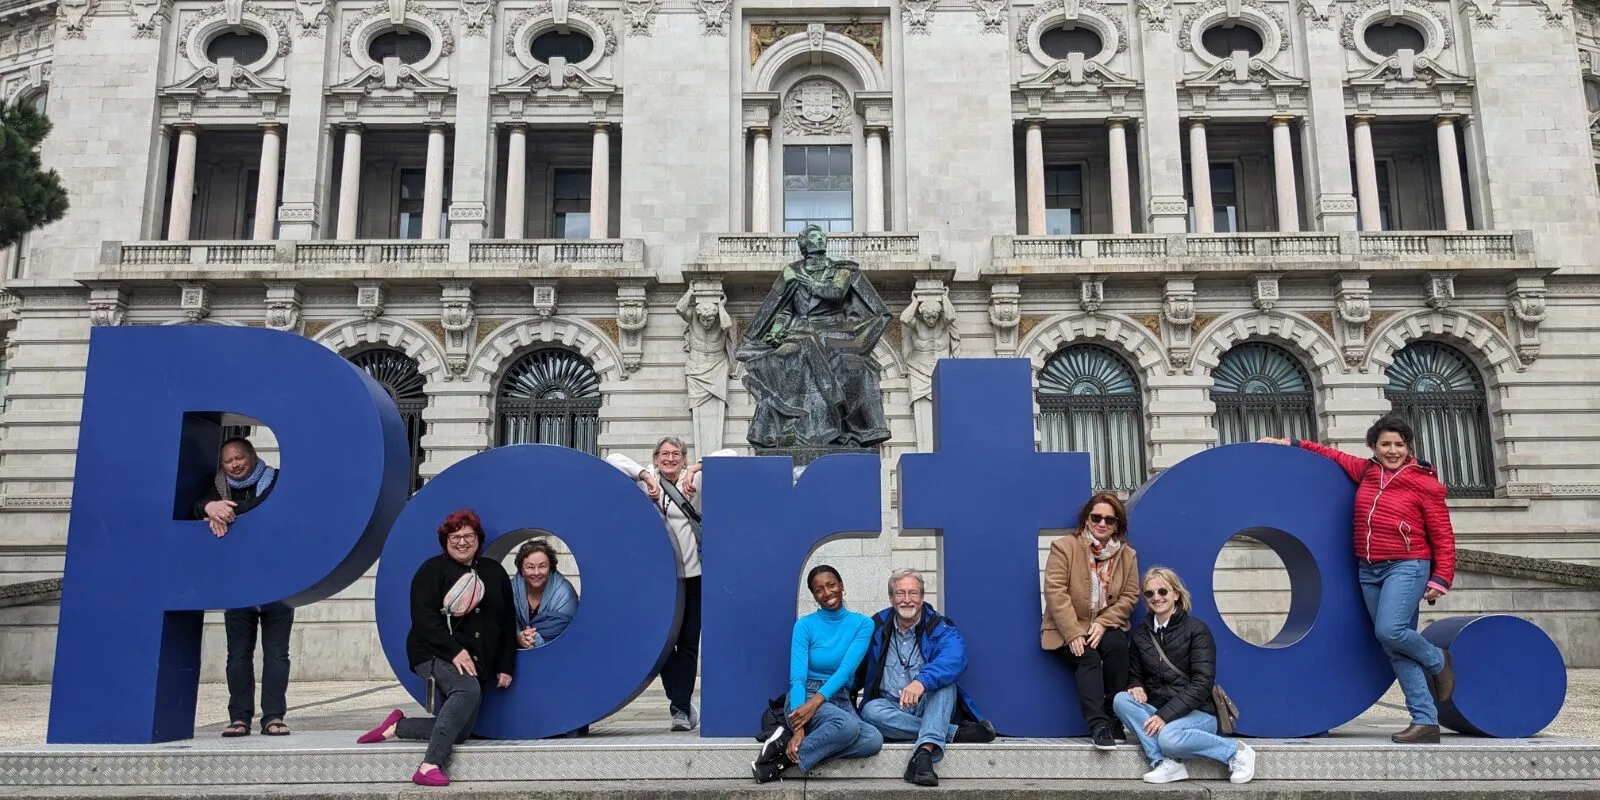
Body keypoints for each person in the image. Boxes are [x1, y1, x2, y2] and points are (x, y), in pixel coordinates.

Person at [1260, 414, 1457, 744]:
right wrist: (1292, 443)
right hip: (1369, 569)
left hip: (1407, 565)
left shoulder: (1425, 484)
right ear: (1373, 447)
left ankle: (1437, 658)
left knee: (1390, 630)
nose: (1392, 450)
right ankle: (1425, 721)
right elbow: (1331, 455)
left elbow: (1442, 534)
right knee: (1393, 645)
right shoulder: (1366, 472)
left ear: (1408, 448)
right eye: (1385, 444)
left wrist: (1441, 577)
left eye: (1399, 444)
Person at [356, 509, 517, 787]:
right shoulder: (431, 570)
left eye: (468, 535)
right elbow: (423, 619)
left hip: (476, 660)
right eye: (455, 536)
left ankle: (398, 726)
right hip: (432, 652)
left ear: (479, 539)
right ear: (445, 540)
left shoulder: (495, 572)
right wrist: (454, 650)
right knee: (467, 688)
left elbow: (506, 621)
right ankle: (430, 765)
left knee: (462, 730)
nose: (462, 542)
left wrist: (505, 665)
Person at [606, 437, 734, 731]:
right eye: (664, 454)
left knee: (688, 643)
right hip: (660, 582)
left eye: (676, 454)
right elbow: (612, 459)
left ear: (684, 458)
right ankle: (682, 704)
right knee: (662, 644)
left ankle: (679, 709)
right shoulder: (647, 484)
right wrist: (644, 475)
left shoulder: (696, 484)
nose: (670, 458)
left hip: (694, 576)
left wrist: (696, 469)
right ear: (656, 457)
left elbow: (731, 453)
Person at [1112, 567, 1256, 785]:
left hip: (1198, 714)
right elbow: (1136, 673)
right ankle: (1165, 763)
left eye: (1163, 591)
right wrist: (1135, 685)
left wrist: (1164, 716)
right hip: (1160, 712)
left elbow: (1202, 683)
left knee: (1169, 738)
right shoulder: (1142, 634)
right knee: (1121, 700)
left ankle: (1236, 752)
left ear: (1176, 594)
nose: (1156, 598)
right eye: (1149, 594)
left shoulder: (1196, 630)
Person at [191, 437, 292, 738]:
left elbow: (269, 511)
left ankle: (274, 717)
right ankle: (239, 718)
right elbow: (193, 505)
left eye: (239, 458)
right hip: (236, 581)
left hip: (278, 579)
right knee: (238, 654)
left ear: (253, 456)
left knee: (277, 654)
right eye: (227, 461)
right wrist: (210, 507)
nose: (234, 465)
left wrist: (229, 514)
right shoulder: (217, 489)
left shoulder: (276, 482)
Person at [855, 568, 994, 787]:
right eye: (900, 593)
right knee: (870, 712)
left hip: (926, 704)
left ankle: (924, 755)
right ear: (891, 598)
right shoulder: (877, 626)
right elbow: (855, 666)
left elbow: (955, 658)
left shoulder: (938, 625)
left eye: (913, 593)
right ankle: (952, 733)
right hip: (888, 706)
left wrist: (922, 682)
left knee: (946, 686)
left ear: (922, 598)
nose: (907, 600)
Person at [752, 565, 882, 783]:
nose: (827, 593)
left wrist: (814, 707)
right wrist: (799, 726)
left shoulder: (863, 624)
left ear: (842, 586)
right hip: (804, 695)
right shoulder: (804, 625)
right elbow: (798, 678)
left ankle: (782, 757)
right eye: (819, 589)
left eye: (831, 585)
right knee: (847, 727)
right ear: (814, 596)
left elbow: (845, 670)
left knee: (873, 739)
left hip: (836, 697)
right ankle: (793, 748)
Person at [1041, 492, 1140, 749]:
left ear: (1117, 524)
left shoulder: (1127, 556)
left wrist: (1104, 622)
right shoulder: (1064, 547)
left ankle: (1113, 715)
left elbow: (1130, 596)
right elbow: (1055, 591)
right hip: (1066, 629)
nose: (1102, 524)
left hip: (1103, 627)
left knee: (1118, 646)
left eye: (1110, 519)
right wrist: (1074, 632)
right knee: (1088, 658)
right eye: (1097, 517)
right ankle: (1098, 724)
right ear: (1087, 519)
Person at [511, 539, 577, 649]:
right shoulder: (510, 589)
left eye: (542, 566)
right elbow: (502, 622)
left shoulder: (565, 592)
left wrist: (531, 638)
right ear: (521, 570)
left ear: (550, 568)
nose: (536, 572)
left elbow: (564, 633)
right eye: (530, 567)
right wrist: (518, 636)